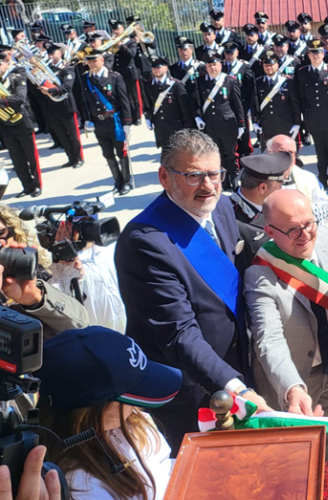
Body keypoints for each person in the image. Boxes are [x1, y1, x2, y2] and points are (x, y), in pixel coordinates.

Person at [115, 129, 271, 454]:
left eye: (215, 174)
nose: (209, 186)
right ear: (164, 177)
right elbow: (180, 334)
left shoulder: (223, 207)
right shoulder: (146, 242)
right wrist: (235, 387)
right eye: (194, 175)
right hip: (191, 389)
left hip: (236, 370)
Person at [245, 189, 328, 460]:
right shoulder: (260, 274)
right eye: (293, 230)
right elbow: (269, 339)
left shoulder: (325, 240)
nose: (306, 235)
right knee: (295, 456)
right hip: (296, 382)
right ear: (270, 231)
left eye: (309, 224)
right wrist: (292, 388)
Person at [37, 327, 182, 500]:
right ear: (89, 412)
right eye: (129, 399)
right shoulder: (81, 487)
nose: (137, 408)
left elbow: (165, 467)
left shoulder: (134, 421)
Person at [0, 204, 90, 338]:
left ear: (14, 234)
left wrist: (37, 299)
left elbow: (80, 324)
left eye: (1, 233)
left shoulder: (30, 274)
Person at [80, 48, 134, 196]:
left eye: (94, 60)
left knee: (121, 152)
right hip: (99, 123)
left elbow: (124, 100)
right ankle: (117, 181)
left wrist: (127, 123)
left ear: (102, 60)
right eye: (89, 61)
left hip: (115, 121)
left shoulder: (114, 77)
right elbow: (84, 102)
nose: (91, 63)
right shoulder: (85, 78)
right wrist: (86, 120)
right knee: (107, 153)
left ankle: (127, 181)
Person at [190, 52, 244, 191]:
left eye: (215, 64)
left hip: (227, 123)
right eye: (209, 65)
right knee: (216, 153)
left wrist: (241, 124)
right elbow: (196, 102)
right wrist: (197, 117)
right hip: (210, 124)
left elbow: (237, 104)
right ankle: (222, 179)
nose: (212, 67)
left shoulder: (230, 81)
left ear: (220, 65)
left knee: (231, 153)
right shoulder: (200, 81)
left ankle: (234, 177)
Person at [296, 38, 328, 193]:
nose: (315, 56)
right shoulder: (303, 73)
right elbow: (301, 98)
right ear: (308, 55)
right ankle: (322, 178)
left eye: (318, 52)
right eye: (312, 53)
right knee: (320, 151)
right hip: (313, 119)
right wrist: (304, 120)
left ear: (323, 53)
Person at [229, 152, 294, 262]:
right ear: (263, 188)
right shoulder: (232, 221)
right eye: (279, 183)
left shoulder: (269, 204)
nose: (281, 188)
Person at [0, 48, 42, 198]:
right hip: (5, 126)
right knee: (17, 160)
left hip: (22, 122)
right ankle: (27, 187)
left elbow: (20, 98)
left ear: (4, 64)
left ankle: (37, 186)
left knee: (31, 157)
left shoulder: (17, 76)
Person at [267, 135, 328, 225]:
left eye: (291, 152)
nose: (287, 157)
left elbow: (326, 208)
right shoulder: (259, 180)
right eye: (281, 152)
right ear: (269, 153)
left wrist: (297, 215)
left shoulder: (308, 177)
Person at [41, 42, 84, 169]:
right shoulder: (48, 69)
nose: (50, 56)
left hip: (66, 106)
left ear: (59, 53)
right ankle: (71, 158)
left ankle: (79, 158)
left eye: (53, 53)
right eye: (49, 54)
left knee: (73, 135)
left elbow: (67, 87)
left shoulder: (67, 68)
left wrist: (49, 91)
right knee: (62, 135)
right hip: (53, 107)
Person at [252, 50, 301, 151]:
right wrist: (255, 121)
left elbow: (295, 104)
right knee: (271, 156)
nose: (268, 68)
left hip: (286, 125)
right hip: (268, 125)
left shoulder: (287, 82)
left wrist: (297, 123)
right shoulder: (259, 82)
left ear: (277, 65)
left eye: (271, 65)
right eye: (266, 66)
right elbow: (254, 103)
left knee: (287, 154)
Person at [142, 56, 193, 149]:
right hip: (161, 129)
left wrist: (187, 128)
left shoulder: (176, 85)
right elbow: (147, 104)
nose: (156, 70)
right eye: (154, 68)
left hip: (176, 128)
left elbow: (185, 109)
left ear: (166, 68)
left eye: (159, 67)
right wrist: (148, 117)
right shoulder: (148, 85)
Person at [109, 18, 142, 126]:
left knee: (133, 96)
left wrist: (121, 45)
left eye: (117, 29)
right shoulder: (112, 41)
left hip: (129, 73)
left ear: (123, 29)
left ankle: (137, 117)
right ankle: (128, 117)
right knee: (124, 97)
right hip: (119, 73)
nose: (115, 31)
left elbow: (132, 54)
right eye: (113, 29)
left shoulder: (130, 41)